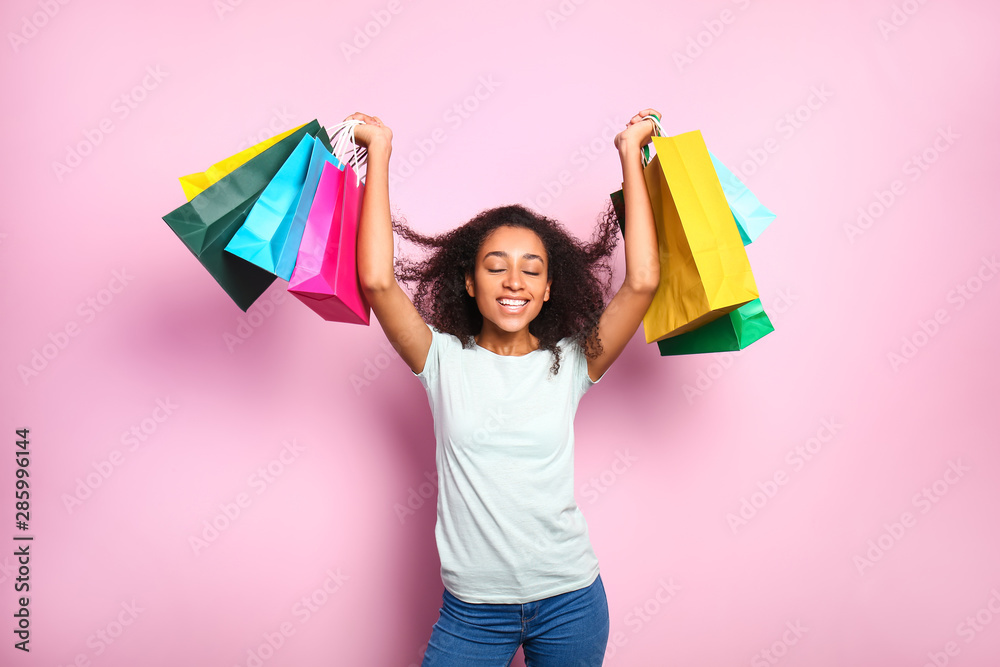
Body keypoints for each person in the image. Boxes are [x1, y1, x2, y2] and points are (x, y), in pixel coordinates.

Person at [350, 108, 660, 666]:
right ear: (469, 282)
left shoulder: (573, 362)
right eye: (496, 267)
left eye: (531, 270)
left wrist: (630, 152)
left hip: (571, 600)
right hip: (472, 611)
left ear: (547, 290)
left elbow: (642, 282)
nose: (514, 282)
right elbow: (376, 280)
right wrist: (379, 151)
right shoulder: (440, 359)